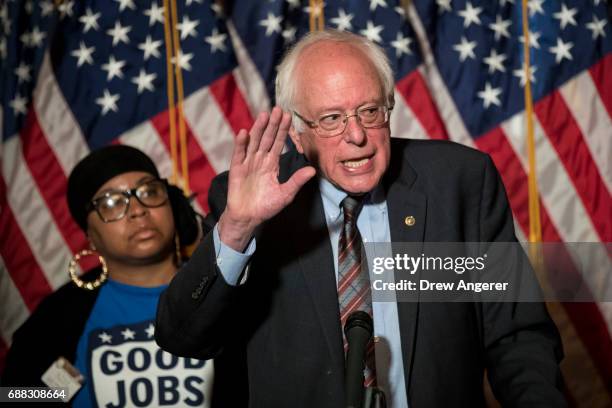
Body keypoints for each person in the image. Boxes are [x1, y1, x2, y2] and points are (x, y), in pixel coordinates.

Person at [155, 30, 565, 407]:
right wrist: (238, 228)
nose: (356, 135)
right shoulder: (247, 201)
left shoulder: (459, 182)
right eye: (331, 118)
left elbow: (517, 334)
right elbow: (183, 338)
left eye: (369, 111)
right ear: (298, 133)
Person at [2, 145, 214, 407]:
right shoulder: (60, 317)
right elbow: (12, 396)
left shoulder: (221, 286)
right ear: (90, 236)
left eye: (149, 191)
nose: (138, 210)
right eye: (111, 202)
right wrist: (58, 387)